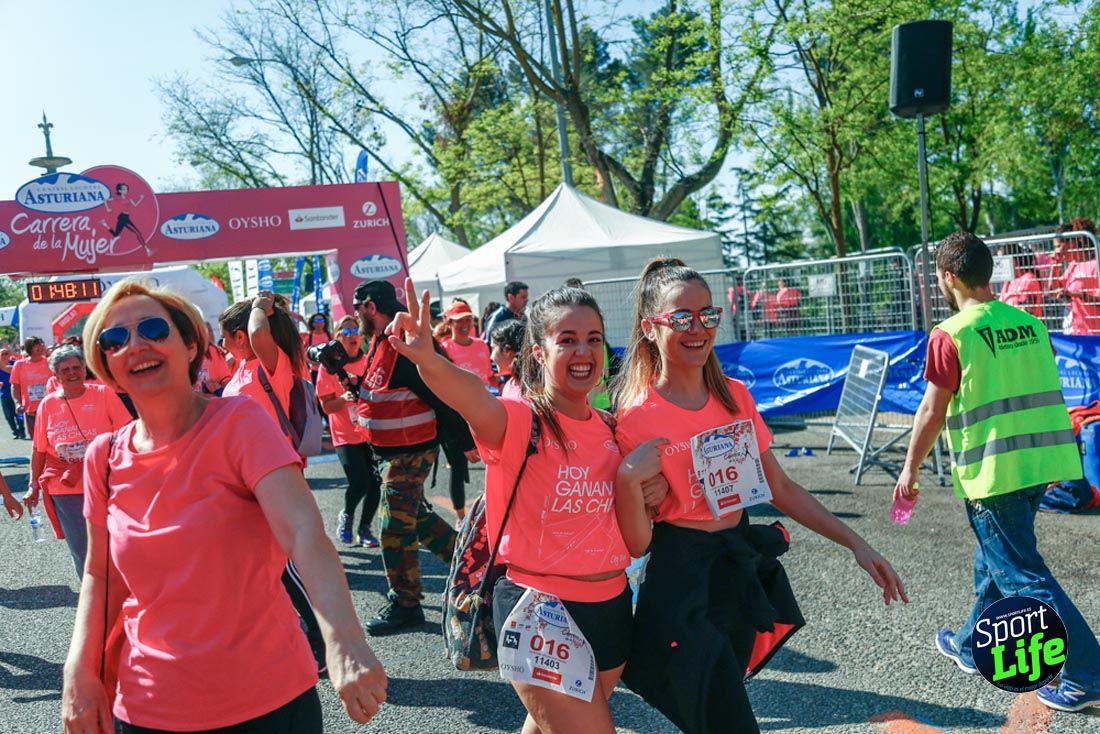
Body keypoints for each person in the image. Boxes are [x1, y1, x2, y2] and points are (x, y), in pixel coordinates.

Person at [58, 280, 386, 733]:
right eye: (114, 340)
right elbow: (100, 575)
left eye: (153, 329)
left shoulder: (238, 422)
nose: (135, 345)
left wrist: (344, 639)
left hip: (269, 702)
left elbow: (302, 530)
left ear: (191, 344)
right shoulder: (104, 457)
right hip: (147, 706)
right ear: (107, 366)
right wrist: (79, 669)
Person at [613, 257, 907, 734]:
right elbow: (636, 539)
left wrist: (857, 543)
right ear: (650, 328)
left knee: (715, 712)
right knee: (728, 718)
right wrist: (634, 487)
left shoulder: (735, 397)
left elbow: (781, 487)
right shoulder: (632, 416)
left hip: (736, 570)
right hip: (680, 577)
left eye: (708, 314)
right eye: (682, 317)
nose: (698, 327)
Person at [388, 279, 665, 733]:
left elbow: (637, 536)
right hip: (539, 611)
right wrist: (429, 359)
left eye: (593, 339)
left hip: (613, 607)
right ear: (538, 352)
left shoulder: (616, 430)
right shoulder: (521, 421)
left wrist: (644, 491)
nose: (584, 352)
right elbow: (472, 395)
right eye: (568, 340)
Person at [894, 232, 1100, 713]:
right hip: (1040, 465)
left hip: (993, 472)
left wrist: (910, 469)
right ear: (990, 274)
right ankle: (970, 646)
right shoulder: (1030, 324)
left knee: (1022, 576)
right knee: (995, 560)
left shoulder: (952, 334)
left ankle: (1087, 673)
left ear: (947, 278)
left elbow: (931, 412)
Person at [352, 279, 472, 635]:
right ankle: (471, 567)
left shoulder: (403, 344)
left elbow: (440, 393)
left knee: (393, 526)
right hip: (390, 454)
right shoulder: (379, 341)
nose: (354, 313)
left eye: (358, 306)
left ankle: (406, 604)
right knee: (415, 519)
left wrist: (463, 442)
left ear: (371, 306)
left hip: (411, 453)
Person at [220, 292, 328, 670]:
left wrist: (258, 308)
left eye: (225, 336)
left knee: (290, 566)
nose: (221, 345)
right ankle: (293, 639)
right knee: (264, 566)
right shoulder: (241, 371)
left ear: (240, 336)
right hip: (247, 481)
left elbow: (259, 333)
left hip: (274, 477)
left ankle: (326, 642)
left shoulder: (272, 363)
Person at [22, 345, 131, 579]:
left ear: (85, 369)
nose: (72, 373)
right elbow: (39, 450)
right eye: (65, 369)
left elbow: (127, 433)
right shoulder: (47, 405)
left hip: (106, 480)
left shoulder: (103, 394)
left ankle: (123, 595)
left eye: (77, 367)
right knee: (81, 547)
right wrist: (33, 484)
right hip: (66, 485)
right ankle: (92, 599)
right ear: (55, 375)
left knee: (116, 539)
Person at [315, 315, 381, 548]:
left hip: (371, 432)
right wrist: (344, 399)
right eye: (346, 332)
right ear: (337, 338)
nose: (352, 336)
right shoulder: (329, 367)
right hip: (345, 435)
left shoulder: (371, 360)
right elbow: (327, 406)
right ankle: (347, 515)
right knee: (359, 482)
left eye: (355, 331)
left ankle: (365, 528)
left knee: (376, 482)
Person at [435, 300, 493, 522]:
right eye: (459, 320)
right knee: (458, 467)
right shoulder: (444, 349)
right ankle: (461, 519)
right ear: (448, 322)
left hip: (482, 414)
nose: (465, 324)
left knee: (493, 464)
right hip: (454, 419)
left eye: (468, 319)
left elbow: (488, 379)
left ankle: (492, 513)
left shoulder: (481, 346)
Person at [1053, 217, 1100, 335]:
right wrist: (1055, 266)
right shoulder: (1073, 265)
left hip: (1094, 334)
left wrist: (1076, 295)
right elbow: (1053, 288)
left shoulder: (1096, 264)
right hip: (1077, 331)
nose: (1058, 251)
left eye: (1059, 246)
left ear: (1073, 243)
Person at [11, 337, 52, 437]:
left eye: (42, 344)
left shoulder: (50, 363)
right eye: (36, 345)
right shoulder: (20, 365)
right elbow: (15, 386)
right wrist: (17, 403)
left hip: (50, 408)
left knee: (51, 437)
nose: (41, 347)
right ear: (29, 348)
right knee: (37, 440)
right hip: (31, 410)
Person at [99, 183, 150, 255]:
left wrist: (141, 198)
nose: (126, 190)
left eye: (126, 189)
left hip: (126, 217)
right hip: (122, 217)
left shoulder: (129, 197)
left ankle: (105, 224)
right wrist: (108, 208)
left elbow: (135, 205)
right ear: (119, 191)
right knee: (136, 233)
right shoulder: (117, 197)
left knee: (118, 234)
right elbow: (105, 200)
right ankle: (147, 249)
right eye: (123, 189)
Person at [998, 244, 1043, 318]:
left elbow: (1027, 310)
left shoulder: (1028, 280)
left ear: (1013, 260)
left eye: (1001, 260)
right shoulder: (1008, 281)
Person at [489, 320, 526, 401]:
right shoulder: (512, 384)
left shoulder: (523, 392)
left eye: (493, 348)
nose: (490, 356)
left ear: (506, 350)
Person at [195, 323, 232, 395]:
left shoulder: (213, 351)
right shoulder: (181, 352)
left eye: (209, 331)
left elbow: (226, 380)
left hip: (212, 400)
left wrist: (218, 389)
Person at [0, 345, 26, 439]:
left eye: (6, 353)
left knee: (19, 413)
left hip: (16, 393)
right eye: (2, 354)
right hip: (5, 394)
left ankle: (22, 430)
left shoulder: (15, 364)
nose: (4, 355)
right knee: (9, 415)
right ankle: (14, 431)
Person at [303, 312, 332, 383]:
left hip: (329, 371)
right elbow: (303, 355)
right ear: (312, 323)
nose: (319, 323)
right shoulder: (308, 337)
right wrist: (313, 362)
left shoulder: (330, 336)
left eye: (321, 321)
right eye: (316, 321)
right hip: (315, 372)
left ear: (325, 322)